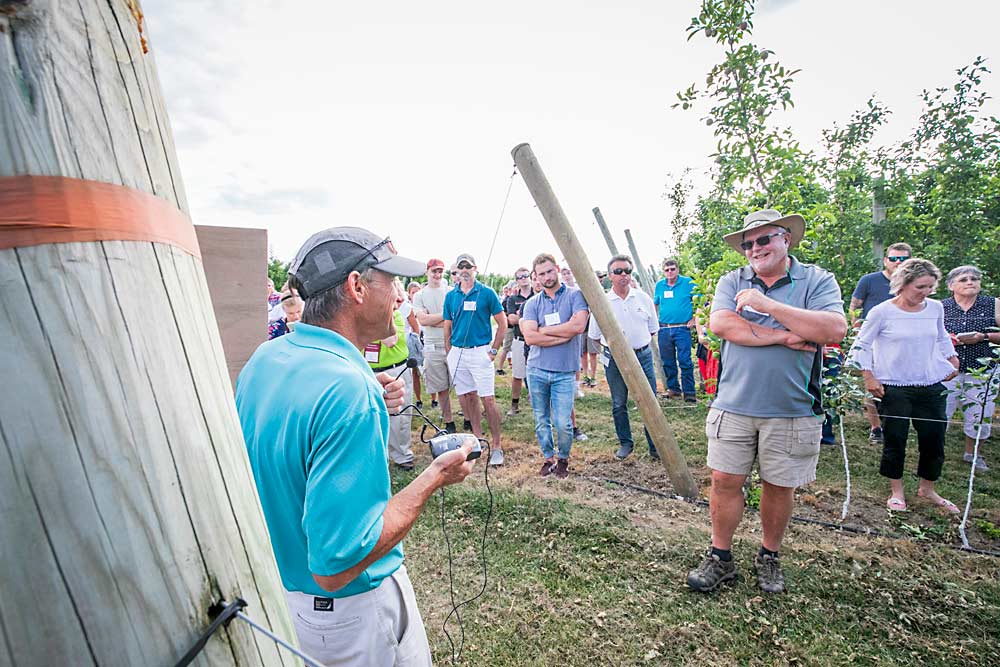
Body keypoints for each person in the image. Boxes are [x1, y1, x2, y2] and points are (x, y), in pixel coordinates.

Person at [236, 227, 477, 666]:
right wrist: (432, 478)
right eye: (394, 282)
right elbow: (337, 564)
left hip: (286, 599)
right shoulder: (347, 390)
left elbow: (296, 447)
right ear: (357, 286)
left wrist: (366, 392)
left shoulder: (264, 359)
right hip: (350, 619)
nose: (402, 297)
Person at [686, 209, 846, 595]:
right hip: (733, 403)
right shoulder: (732, 280)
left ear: (786, 238)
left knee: (779, 486)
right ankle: (720, 557)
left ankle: (769, 556)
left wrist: (767, 305)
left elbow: (832, 329)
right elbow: (722, 325)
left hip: (792, 407)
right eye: (749, 243)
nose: (756, 248)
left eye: (765, 239)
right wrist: (783, 335)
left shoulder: (817, 279)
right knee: (724, 481)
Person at [848, 258, 960, 513]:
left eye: (931, 287)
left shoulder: (934, 308)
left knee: (934, 438)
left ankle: (927, 488)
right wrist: (869, 377)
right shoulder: (882, 312)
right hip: (893, 385)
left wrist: (951, 358)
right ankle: (896, 491)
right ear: (903, 283)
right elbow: (861, 346)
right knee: (895, 438)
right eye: (920, 287)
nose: (926, 292)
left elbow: (941, 336)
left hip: (930, 383)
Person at [521, 254, 589, 477]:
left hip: (564, 371)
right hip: (536, 369)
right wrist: (563, 333)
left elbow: (578, 326)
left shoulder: (575, 296)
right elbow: (530, 338)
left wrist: (545, 330)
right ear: (536, 277)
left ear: (557, 269)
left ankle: (563, 458)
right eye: (541, 274)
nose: (547, 277)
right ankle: (548, 457)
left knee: (562, 422)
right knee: (541, 419)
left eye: (550, 271)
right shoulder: (532, 303)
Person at [588, 254, 660, 460]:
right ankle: (625, 443)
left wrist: (636, 346)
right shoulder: (602, 303)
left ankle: (656, 446)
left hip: (642, 356)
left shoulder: (643, 298)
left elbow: (653, 329)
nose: (623, 275)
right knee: (619, 402)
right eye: (618, 271)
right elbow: (594, 336)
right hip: (615, 360)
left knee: (649, 401)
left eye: (627, 271)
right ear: (610, 275)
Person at [443, 253, 508, 465]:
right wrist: (449, 350)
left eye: (468, 266)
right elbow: (447, 325)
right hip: (458, 352)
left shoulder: (487, 293)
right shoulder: (451, 296)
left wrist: (493, 351)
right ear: (457, 270)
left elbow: (503, 323)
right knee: (468, 397)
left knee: (487, 399)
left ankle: (497, 445)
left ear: (475, 268)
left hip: (480, 352)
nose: (464, 270)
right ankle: (478, 439)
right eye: (461, 266)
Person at [850, 242, 913, 443]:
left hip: (902, 343)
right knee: (871, 384)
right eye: (893, 258)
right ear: (886, 260)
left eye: (903, 259)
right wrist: (858, 330)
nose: (898, 262)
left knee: (899, 384)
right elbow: (855, 306)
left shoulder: (914, 284)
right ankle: (876, 428)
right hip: (872, 341)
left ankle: (894, 425)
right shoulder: (869, 280)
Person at [941, 265, 999, 471]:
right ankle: (935, 451)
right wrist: (947, 339)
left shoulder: (993, 304)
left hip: (983, 369)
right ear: (951, 285)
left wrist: (983, 337)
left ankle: (973, 454)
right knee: (941, 409)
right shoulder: (941, 306)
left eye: (974, 279)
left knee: (979, 412)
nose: (970, 282)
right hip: (947, 369)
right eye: (963, 279)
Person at [367, 279, 417, 471]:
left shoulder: (395, 316)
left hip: (395, 370)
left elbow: (390, 340)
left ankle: (402, 455)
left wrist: (372, 322)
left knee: (399, 415)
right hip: (371, 370)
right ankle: (379, 455)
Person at [412, 259, 456, 432]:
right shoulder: (420, 295)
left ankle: (468, 417)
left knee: (461, 384)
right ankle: (449, 421)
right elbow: (422, 320)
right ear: (427, 272)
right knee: (441, 386)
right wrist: (445, 318)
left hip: (452, 343)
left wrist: (435, 319)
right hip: (432, 346)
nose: (437, 275)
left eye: (440, 271)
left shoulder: (450, 292)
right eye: (434, 271)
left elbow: (455, 318)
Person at [654, 258, 698, 402]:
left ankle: (689, 392)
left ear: (677, 269)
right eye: (667, 270)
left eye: (672, 269)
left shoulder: (687, 283)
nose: (670, 272)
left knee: (685, 360)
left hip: (682, 328)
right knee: (668, 361)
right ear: (664, 272)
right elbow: (655, 304)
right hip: (664, 329)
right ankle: (674, 389)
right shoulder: (660, 285)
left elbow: (701, 301)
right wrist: (655, 320)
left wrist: (695, 318)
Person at [504, 267, 534, 416]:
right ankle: (514, 405)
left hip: (535, 341)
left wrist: (520, 316)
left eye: (525, 275)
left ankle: (538, 402)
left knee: (536, 373)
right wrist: (529, 318)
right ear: (516, 281)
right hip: (519, 340)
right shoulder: (512, 299)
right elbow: (510, 319)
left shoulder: (538, 295)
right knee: (517, 374)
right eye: (520, 277)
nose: (523, 278)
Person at [402, 281, 423, 407]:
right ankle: (416, 399)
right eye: (413, 292)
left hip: (416, 342)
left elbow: (416, 328)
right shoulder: (405, 306)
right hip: (404, 343)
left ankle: (427, 398)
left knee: (417, 373)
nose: (415, 295)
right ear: (409, 294)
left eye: (418, 292)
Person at [496, 280, 518, 375]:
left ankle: (510, 364)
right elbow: (503, 314)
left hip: (514, 327)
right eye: (515, 287)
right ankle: (499, 368)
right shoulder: (507, 300)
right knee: (506, 348)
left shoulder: (514, 299)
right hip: (509, 327)